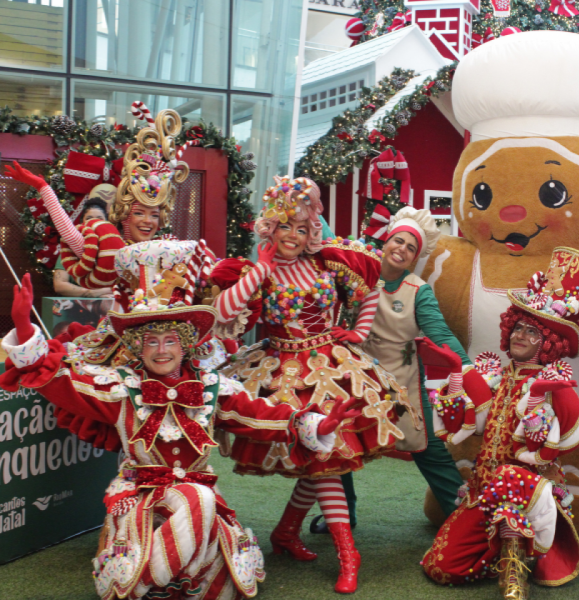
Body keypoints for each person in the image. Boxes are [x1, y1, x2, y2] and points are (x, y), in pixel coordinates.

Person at [0, 268, 359, 600]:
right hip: (140, 498)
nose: (161, 350)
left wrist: (316, 424)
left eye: (170, 340)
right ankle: (146, 580)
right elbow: (61, 383)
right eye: (151, 341)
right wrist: (25, 327)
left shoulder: (212, 389)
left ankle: (140, 582)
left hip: (197, 500)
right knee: (198, 504)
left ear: (185, 344)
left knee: (213, 558)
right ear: (138, 347)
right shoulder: (122, 390)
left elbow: (259, 416)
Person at [211, 174, 404, 594]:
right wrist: (260, 268)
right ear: (270, 226)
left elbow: (373, 286)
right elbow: (220, 310)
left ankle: (287, 533)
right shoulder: (254, 271)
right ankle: (346, 552)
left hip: (333, 367)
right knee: (321, 457)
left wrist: (358, 331)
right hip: (283, 374)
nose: (295, 236)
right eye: (286, 226)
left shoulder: (328, 260)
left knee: (320, 459)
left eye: (302, 227)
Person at [422, 247, 579, 600]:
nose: (520, 336)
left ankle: (514, 577)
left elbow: (569, 435)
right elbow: (464, 421)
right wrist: (452, 371)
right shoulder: (496, 376)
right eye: (518, 328)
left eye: (532, 332)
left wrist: (546, 392)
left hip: (527, 490)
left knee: (512, 479)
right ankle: (499, 552)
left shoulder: (554, 381)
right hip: (484, 490)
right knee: (440, 566)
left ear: (549, 343)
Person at [308, 206, 492, 534]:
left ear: (414, 257)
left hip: (401, 381)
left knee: (427, 447)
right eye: (399, 241)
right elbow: (327, 242)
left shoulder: (418, 290)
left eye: (410, 248)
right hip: (354, 377)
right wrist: (312, 209)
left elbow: (440, 333)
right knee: (338, 443)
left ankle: (463, 520)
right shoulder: (359, 269)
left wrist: (466, 368)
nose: (402, 250)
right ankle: (342, 516)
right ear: (387, 240)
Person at [3, 105, 214, 296]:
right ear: (124, 216)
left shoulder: (169, 249)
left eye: (154, 215)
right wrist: (43, 188)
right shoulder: (111, 247)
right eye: (139, 213)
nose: (147, 221)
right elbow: (68, 231)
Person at [53, 199, 115, 298]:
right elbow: (59, 285)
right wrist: (92, 293)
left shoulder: (115, 251)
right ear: (82, 223)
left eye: (99, 219)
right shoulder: (70, 250)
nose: (94, 223)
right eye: (89, 218)